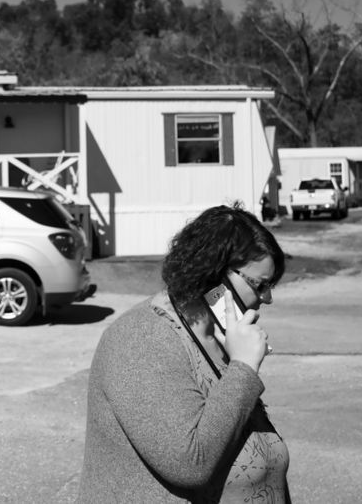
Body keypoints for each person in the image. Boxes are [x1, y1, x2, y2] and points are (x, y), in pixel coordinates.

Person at [79, 204, 290, 502]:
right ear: (216, 273)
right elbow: (190, 463)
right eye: (260, 285)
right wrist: (242, 367)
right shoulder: (142, 339)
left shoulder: (218, 334)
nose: (267, 298)